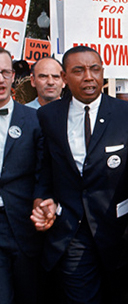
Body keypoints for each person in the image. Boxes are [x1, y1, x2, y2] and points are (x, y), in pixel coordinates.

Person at [31, 46, 128, 303]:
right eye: (78, 71)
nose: (89, 77)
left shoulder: (127, 114)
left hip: (117, 230)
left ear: (103, 73)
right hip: (71, 231)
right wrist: (42, 200)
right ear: (64, 77)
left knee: (118, 294)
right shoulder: (48, 116)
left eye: (95, 69)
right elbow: (45, 171)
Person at [0, 47, 43, 304]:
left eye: (5, 72)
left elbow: (44, 172)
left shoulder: (35, 120)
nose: (0, 79)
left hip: (24, 225)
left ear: (13, 76)